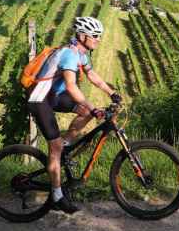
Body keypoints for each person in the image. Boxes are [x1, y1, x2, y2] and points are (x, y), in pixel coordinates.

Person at [27, 16, 121, 214]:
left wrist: (111, 92)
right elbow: (71, 86)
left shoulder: (82, 54)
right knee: (55, 145)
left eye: (99, 36)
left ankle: (66, 146)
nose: (98, 39)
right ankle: (57, 196)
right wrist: (93, 106)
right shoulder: (69, 55)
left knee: (84, 113)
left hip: (54, 95)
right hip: (39, 98)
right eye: (95, 36)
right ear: (82, 36)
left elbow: (92, 76)